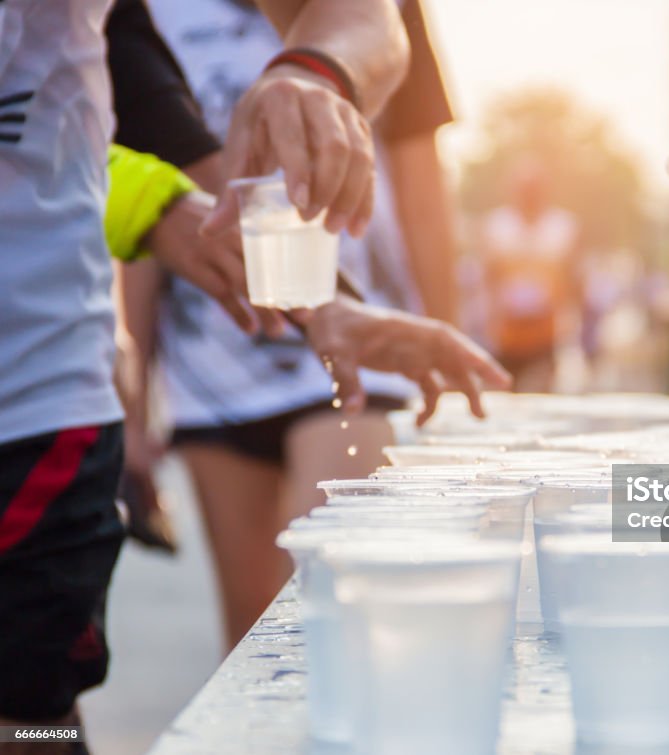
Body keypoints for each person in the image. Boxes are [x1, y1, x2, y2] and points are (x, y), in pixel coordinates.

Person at [0, 1, 408, 750]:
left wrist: (311, 71)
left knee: (26, 721)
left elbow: (127, 72)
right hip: (206, 385)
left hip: (34, 398)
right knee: (257, 648)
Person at [123, 0, 470, 646]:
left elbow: (422, 182)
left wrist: (442, 331)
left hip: (356, 335)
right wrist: (134, 393)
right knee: (254, 634)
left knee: (334, 602)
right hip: (214, 356)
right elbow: (148, 199)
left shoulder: (382, 17)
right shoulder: (145, 14)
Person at [479, 158, 582, 392]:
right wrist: (490, 317)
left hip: (547, 329)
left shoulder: (563, 226)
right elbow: (489, 276)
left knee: (543, 393)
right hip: (508, 332)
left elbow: (573, 277)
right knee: (505, 390)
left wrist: (571, 318)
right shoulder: (497, 225)